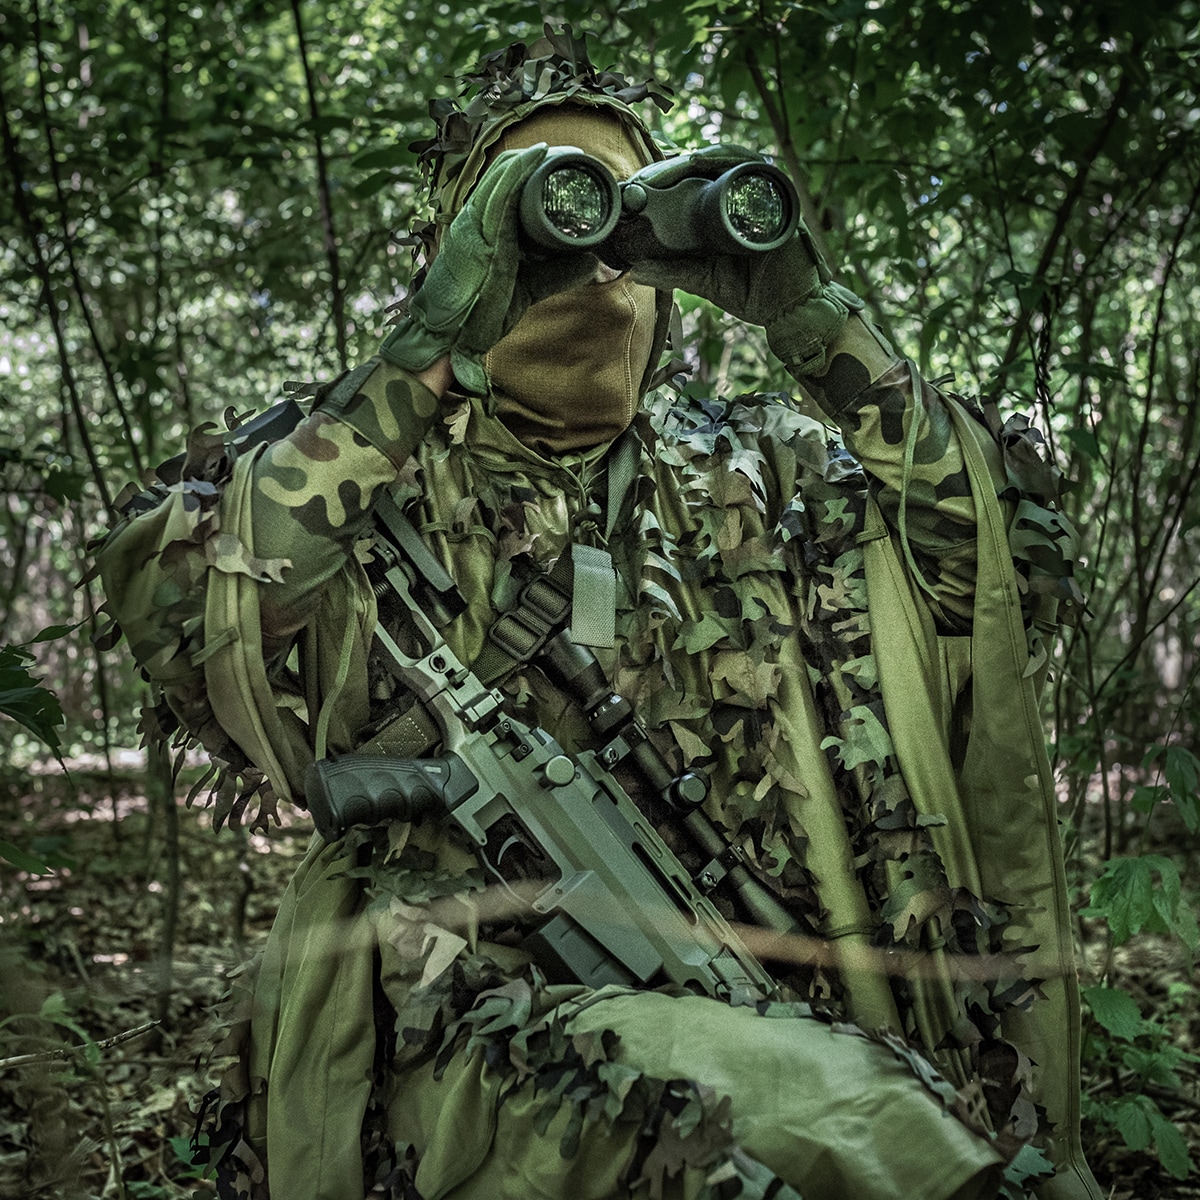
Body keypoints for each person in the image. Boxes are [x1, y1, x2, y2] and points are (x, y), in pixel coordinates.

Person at [95, 28, 1101, 1200]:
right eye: (546, 211)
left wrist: (810, 318)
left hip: (780, 1001)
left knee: (886, 1126)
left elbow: (1000, 571)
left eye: (624, 217)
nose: (592, 262)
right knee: (851, 1130)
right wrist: (423, 350)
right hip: (474, 1036)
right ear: (461, 253)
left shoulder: (762, 474)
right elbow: (177, 618)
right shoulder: (365, 470)